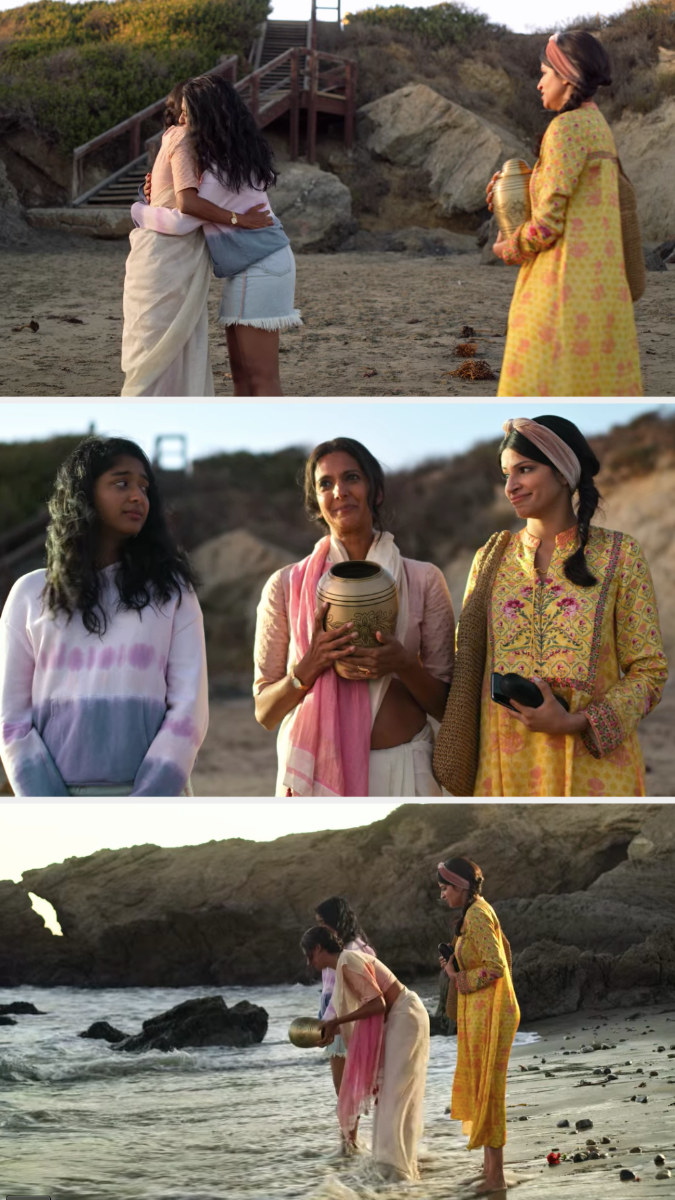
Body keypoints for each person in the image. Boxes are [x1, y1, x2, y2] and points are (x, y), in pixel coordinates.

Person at [459, 415, 667, 796]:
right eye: (506, 474)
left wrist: (577, 722)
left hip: (594, 768)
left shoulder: (619, 554)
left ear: (562, 473)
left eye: (525, 469)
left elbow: (649, 671)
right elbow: (465, 663)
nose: (511, 486)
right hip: (504, 766)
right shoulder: (491, 558)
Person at [0, 436, 208, 796]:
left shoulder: (172, 592)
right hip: (52, 798)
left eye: (144, 487)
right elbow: (12, 720)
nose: (137, 496)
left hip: (154, 794)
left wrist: (147, 801)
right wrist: (48, 806)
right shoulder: (29, 594)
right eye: (121, 482)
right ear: (84, 493)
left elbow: (189, 710)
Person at [253, 437, 455, 795]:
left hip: (406, 770)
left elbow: (448, 708)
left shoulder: (422, 579)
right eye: (325, 484)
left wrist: (404, 665)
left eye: (351, 478)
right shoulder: (286, 586)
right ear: (316, 501)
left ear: (375, 491)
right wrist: (309, 666)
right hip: (317, 775)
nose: (339, 491)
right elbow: (266, 713)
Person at [122, 73, 300, 397]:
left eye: (188, 111)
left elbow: (183, 219)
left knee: (259, 378)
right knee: (242, 378)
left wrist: (137, 211)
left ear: (208, 113)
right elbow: (182, 196)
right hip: (252, 266)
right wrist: (149, 189)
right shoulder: (225, 160)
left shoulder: (221, 173)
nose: (181, 118)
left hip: (262, 265)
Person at [488, 30, 642, 396]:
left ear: (567, 74)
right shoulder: (597, 126)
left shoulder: (565, 129)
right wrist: (516, 185)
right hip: (601, 293)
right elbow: (577, 204)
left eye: (544, 73)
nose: (539, 83)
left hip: (560, 294)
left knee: (543, 386)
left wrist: (506, 249)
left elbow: (547, 226)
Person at [301, 924, 430, 1181]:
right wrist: (330, 1031)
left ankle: (399, 1170)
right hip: (398, 1017)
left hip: (404, 1015)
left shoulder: (348, 960)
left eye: (308, 955)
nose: (308, 962)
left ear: (317, 948)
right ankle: (398, 1167)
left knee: (394, 1095)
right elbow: (362, 1013)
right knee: (390, 1095)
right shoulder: (344, 966)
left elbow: (377, 1004)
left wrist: (336, 1022)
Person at [437, 857, 519, 1195]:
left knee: (491, 1092)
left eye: (444, 888)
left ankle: (496, 1178)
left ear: (460, 887)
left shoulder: (478, 914)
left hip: (492, 1014)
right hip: (483, 1012)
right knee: (483, 1090)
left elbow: (497, 966)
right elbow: (503, 954)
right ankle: (489, 1170)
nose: (442, 894)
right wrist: (456, 963)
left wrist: (459, 977)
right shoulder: (474, 913)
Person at [314, 897, 376, 1120]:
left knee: (344, 1089)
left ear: (335, 921)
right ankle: (349, 1144)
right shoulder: (346, 947)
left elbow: (346, 990)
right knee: (345, 1089)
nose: (319, 928)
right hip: (338, 1015)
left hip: (344, 1017)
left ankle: (349, 1146)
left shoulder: (351, 949)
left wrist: (327, 1022)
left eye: (323, 922)